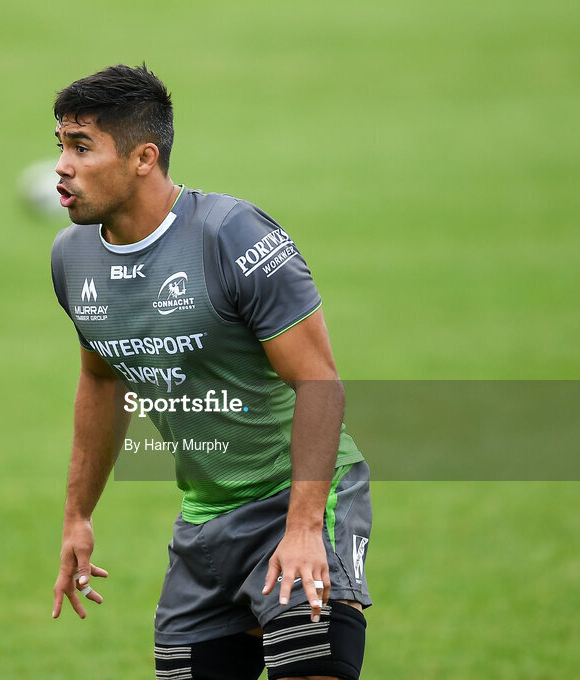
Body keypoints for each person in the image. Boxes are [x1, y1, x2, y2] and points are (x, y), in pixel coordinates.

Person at [49, 63, 372, 680]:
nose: (62, 165)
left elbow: (320, 381)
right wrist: (78, 516)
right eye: (61, 145)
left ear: (144, 158)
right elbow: (101, 380)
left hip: (295, 501)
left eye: (82, 147)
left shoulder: (232, 236)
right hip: (204, 523)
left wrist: (304, 528)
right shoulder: (73, 257)